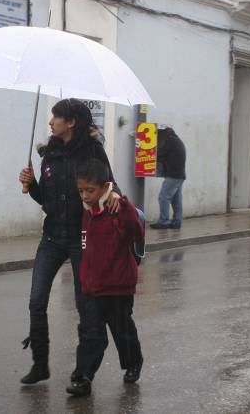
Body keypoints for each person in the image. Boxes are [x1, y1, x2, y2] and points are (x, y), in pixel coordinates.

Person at [17, 99, 120, 385]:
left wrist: (113, 197)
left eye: (56, 117)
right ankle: (40, 364)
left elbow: (109, 187)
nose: (51, 122)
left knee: (85, 305)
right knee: (36, 301)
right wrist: (32, 184)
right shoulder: (50, 152)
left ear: (71, 122)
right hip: (51, 237)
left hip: (82, 239)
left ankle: (83, 373)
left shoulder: (93, 151)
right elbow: (46, 200)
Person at [66, 159, 144, 397]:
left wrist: (122, 201)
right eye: (81, 190)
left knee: (123, 331)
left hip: (117, 287)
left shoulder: (116, 209)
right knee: (91, 335)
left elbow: (135, 229)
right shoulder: (85, 212)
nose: (85, 195)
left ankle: (133, 363)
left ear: (105, 187)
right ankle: (83, 378)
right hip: (91, 287)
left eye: (90, 190)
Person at [150, 127, 186, 229]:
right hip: (180, 175)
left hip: (173, 176)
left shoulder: (170, 141)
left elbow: (159, 153)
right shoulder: (177, 140)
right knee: (176, 199)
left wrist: (146, 151)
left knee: (164, 197)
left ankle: (164, 222)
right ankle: (177, 222)